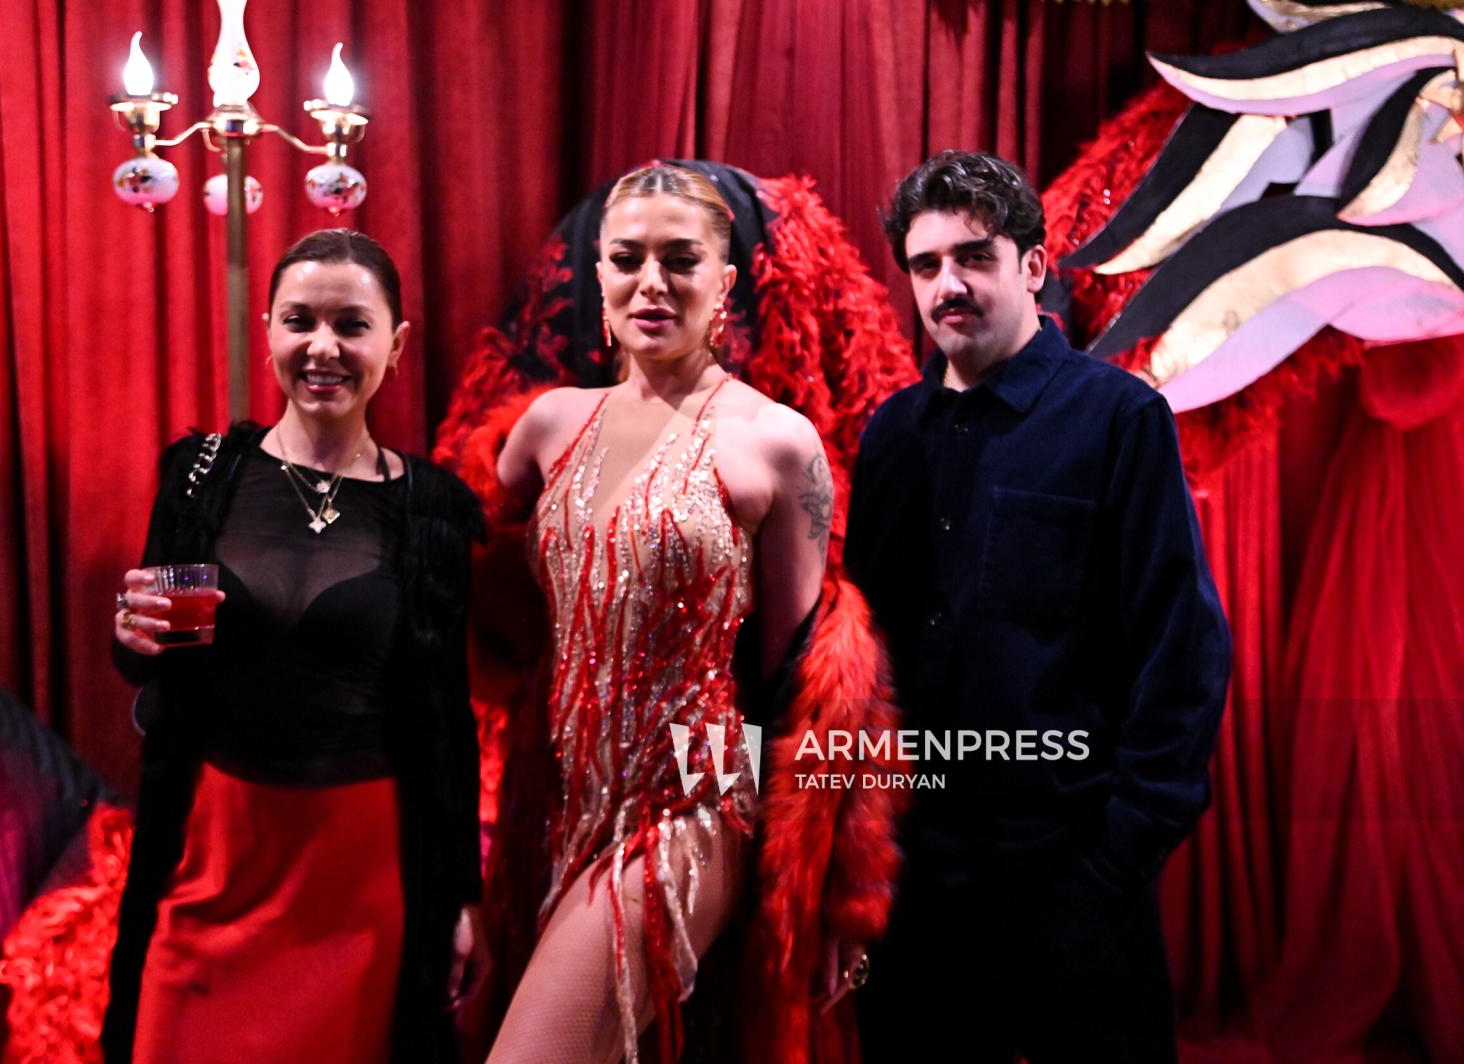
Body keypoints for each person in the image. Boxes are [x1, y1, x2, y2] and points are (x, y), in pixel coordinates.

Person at [845, 150, 1232, 1062]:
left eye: (974, 257)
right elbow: (863, 658)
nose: (948, 284)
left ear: (1032, 266)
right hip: (916, 887)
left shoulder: (1119, 418)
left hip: (1073, 877)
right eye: (926, 265)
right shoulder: (892, 435)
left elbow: (1182, 650)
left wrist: (1116, 857)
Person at [482, 163, 873, 1064]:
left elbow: (800, 681)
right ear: (599, 277)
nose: (651, 282)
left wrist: (822, 888)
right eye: (628, 259)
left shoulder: (775, 443)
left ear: (724, 282)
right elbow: (475, 600)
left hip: (688, 807)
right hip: (558, 806)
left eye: (680, 260)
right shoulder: (546, 426)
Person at [103, 228, 488, 1064]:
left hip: (357, 878)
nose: (323, 347)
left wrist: (460, 896)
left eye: (352, 325)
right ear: (269, 330)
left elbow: (444, 718)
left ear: (396, 344)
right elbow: (155, 662)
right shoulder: (203, 474)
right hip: (212, 853)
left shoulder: (431, 508)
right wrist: (130, 634)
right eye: (300, 320)